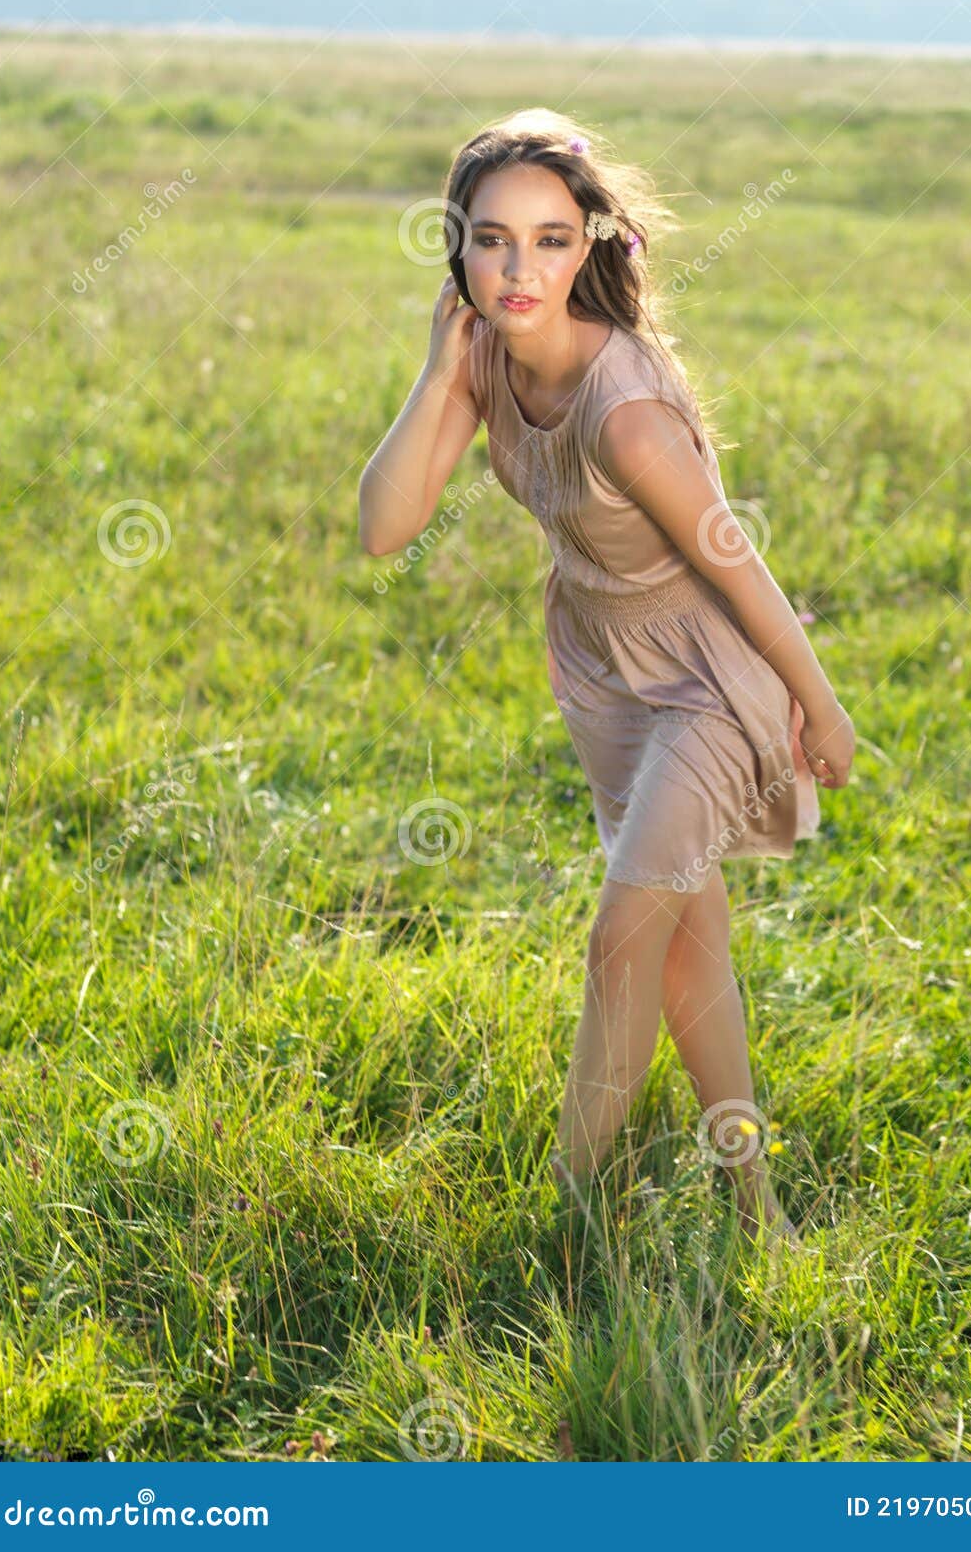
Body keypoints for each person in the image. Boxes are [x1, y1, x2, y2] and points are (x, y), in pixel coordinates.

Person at [358, 108, 855, 1252]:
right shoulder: (482, 355)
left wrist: (816, 702)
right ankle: (757, 1204)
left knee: (624, 938)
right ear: (458, 248)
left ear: (588, 246)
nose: (517, 268)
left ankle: (569, 1216)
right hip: (604, 675)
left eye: (546, 239)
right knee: (690, 954)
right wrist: (439, 374)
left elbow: (734, 556)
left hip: (705, 678)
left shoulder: (624, 412)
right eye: (491, 240)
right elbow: (386, 528)